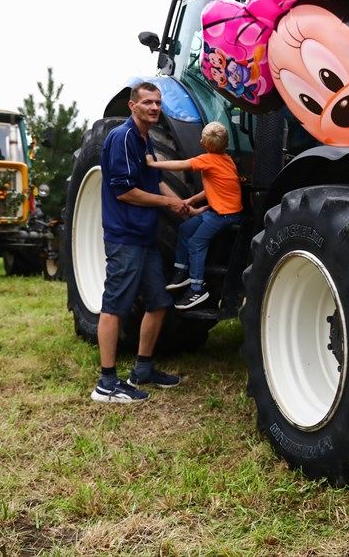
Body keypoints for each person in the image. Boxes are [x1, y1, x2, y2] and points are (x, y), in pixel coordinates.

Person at [92, 82, 187, 403]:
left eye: (158, 103)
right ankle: (106, 383)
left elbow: (155, 181)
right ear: (132, 106)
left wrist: (184, 206)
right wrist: (168, 206)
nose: (154, 107)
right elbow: (125, 191)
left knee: (159, 303)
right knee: (115, 306)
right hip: (125, 237)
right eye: (147, 102)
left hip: (144, 238)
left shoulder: (145, 140)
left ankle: (143, 368)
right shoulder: (122, 138)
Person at [146, 121, 243, 310]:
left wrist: (153, 164)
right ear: (226, 143)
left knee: (196, 242)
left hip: (224, 215)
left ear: (203, 144)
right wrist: (191, 200)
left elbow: (182, 164)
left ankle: (197, 288)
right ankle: (182, 271)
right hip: (219, 211)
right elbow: (215, 189)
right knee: (185, 229)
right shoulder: (227, 159)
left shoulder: (208, 159)